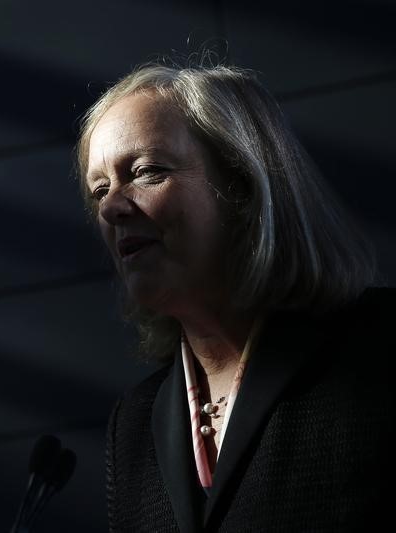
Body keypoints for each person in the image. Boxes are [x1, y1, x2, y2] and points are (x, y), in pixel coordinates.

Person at [75, 61, 395, 532]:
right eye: (99, 189)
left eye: (145, 172)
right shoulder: (135, 423)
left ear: (242, 187)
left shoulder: (380, 345)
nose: (112, 206)